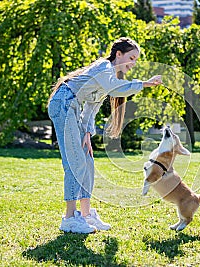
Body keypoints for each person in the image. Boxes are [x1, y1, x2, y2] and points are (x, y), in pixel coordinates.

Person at [47, 37, 162, 233]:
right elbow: (116, 89)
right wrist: (145, 83)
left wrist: (87, 133)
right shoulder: (104, 68)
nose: (133, 64)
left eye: (136, 60)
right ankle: (69, 218)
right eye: (131, 58)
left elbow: (91, 108)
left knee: (87, 160)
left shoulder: (107, 79)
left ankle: (86, 214)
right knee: (75, 162)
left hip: (73, 110)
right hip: (64, 105)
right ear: (119, 54)